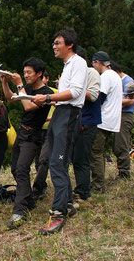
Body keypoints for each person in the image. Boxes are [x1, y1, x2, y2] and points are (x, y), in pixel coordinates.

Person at [31, 29, 87, 235]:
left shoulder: (79, 62)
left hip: (69, 114)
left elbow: (76, 92)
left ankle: (58, 212)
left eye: (58, 43)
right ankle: (68, 203)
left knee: (57, 162)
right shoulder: (67, 65)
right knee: (57, 159)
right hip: (60, 113)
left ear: (69, 44)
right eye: (53, 43)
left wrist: (46, 98)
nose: (54, 46)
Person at [0, 57, 53, 229]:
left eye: (29, 72)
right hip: (22, 132)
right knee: (15, 169)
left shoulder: (45, 92)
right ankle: (29, 200)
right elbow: (10, 98)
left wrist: (20, 84)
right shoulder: (27, 87)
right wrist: (5, 83)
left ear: (39, 74)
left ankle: (20, 210)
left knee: (22, 169)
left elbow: (29, 107)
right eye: (24, 73)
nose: (26, 75)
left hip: (33, 135)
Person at [90, 51, 123, 193]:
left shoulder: (105, 77)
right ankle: (99, 182)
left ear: (97, 62)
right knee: (99, 152)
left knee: (95, 152)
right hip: (112, 119)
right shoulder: (115, 75)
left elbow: (99, 98)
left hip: (103, 119)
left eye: (93, 64)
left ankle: (98, 186)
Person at [72, 47, 101, 205]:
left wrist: (74, 89)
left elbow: (94, 95)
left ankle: (84, 193)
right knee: (75, 158)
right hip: (75, 121)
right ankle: (81, 189)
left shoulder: (91, 73)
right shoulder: (75, 74)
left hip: (87, 121)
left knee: (81, 158)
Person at [32, 70, 57, 201]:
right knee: (37, 160)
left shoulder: (54, 92)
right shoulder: (33, 92)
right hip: (36, 129)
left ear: (46, 78)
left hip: (50, 130)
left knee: (43, 159)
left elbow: (61, 106)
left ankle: (37, 189)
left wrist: (51, 118)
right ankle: (42, 186)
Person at [110, 61, 134, 179]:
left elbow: (131, 100)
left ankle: (124, 172)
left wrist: (112, 102)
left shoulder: (128, 81)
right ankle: (122, 170)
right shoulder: (118, 82)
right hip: (116, 115)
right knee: (116, 144)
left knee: (121, 144)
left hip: (125, 115)